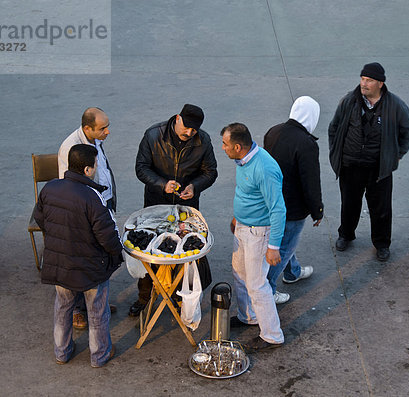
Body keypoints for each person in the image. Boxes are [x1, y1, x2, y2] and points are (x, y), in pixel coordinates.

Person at [33, 144, 123, 367]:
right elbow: (108, 237)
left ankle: (61, 352)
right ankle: (99, 355)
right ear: (86, 170)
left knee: (63, 307)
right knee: (97, 312)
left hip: (59, 263)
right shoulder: (93, 197)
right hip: (90, 267)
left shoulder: (50, 188)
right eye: (94, 165)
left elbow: (40, 218)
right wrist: (117, 254)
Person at [130, 104, 218, 317]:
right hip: (155, 204)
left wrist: (194, 187)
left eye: (194, 130)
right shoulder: (153, 135)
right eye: (186, 127)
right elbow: (141, 168)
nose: (189, 133)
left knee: (184, 254)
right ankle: (145, 297)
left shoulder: (203, 141)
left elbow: (210, 172)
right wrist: (161, 183)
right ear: (177, 118)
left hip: (186, 207)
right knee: (149, 251)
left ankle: (180, 297)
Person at [328, 62, 409, 261]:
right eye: (362, 79)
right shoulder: (349, 101)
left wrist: (396, 155)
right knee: (349, 204)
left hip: (379, 168)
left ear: (380, 84)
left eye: (369, 80)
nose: (364, 84)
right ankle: (345, 235)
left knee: (381, 209)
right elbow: (334, 128)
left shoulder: (396, 106)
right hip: (351, 165)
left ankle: (382, 244)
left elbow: (406, 133)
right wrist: (337, 152)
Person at [221, 122, 286, 352]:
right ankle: (248, 316)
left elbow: (278, 209)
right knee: (239, 274)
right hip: (243, 227)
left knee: (257, 284)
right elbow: (247, 194)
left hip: (258, 233)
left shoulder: (264, 169)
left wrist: (274, 246)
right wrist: (237, 217)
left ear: (238, 146)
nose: (223, 148)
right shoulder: (243, 159)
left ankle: (272, 335)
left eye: (225, 144)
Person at [58, 107, 118, 329]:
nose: (107, 132)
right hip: (86, 212)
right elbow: (70, 186)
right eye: (103, 128)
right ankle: (76, 310)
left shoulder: (95, 141)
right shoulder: (70, 148)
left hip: (101, 204)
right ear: (87, 128)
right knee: (81, 259)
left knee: (97, 257)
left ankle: (95, 303)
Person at [264, 96, 324, 304]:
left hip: (269, 201)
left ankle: (293, 272)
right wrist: (317, 210)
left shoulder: (273, 131)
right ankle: (268, 288)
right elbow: (311, 181)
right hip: (292, 207)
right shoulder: (306, 144)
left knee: (286, 242)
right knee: (284, 246)